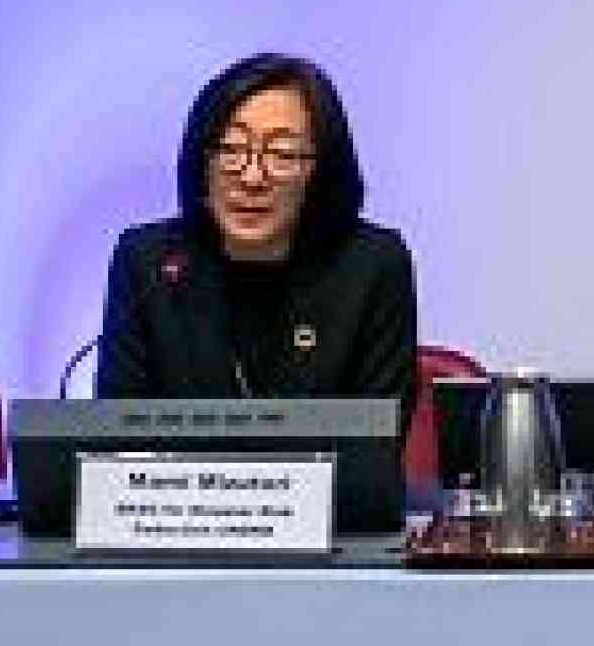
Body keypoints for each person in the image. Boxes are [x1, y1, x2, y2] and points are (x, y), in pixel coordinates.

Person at [95, 54, 417, 424]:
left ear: (320, 171)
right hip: (173, 484)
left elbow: (375, 446)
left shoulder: (373, 267)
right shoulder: (149, 263)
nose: (251, 177)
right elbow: (119, 439)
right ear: (204, 161)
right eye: (231, 149)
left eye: (281, 153)